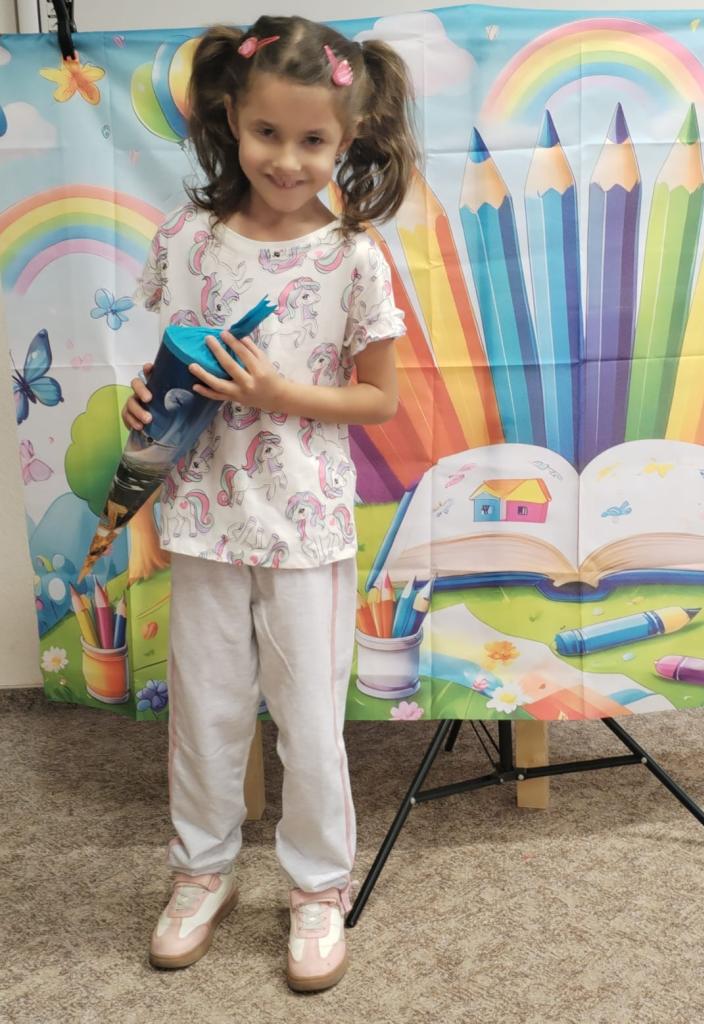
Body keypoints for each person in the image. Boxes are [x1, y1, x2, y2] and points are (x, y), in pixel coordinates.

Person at [122, 14, 419, 991]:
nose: (287, 160)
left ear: (350, 138)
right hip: (202, 517)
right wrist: (144, 399)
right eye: (266, 133)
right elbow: (173, 364)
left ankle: (317, 888)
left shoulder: (354, 257)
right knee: (204, 714)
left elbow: (380, 400)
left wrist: (277, 393)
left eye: (313, 139)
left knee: (308, 722)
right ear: (229, 119)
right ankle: (200, 872)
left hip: (304, 527)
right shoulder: (189, 239)